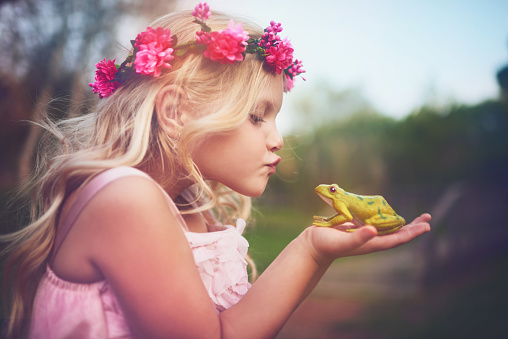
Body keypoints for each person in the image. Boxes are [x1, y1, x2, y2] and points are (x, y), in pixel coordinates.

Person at [1, 3, 431, 338]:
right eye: (257, 117)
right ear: (175, 111)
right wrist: (310, 251)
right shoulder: (127, 199)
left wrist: (313, 248)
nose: (278, 139)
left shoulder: (186, 206)